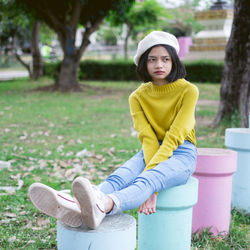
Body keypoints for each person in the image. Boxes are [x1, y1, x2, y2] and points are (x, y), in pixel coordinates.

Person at [28, 31, 199, 230]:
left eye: (165, 59)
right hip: (151, 150)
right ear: (144, 63)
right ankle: (80, 205)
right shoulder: (137, 96)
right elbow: (149, 139)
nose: (159, 65)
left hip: (182, 153)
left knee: (148, 179)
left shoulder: (188, 91)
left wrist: (153, 190)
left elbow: (175, 136)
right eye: (152, 60)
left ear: (174, 62)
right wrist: (151, 175)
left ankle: (103, 206)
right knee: (121, 176)